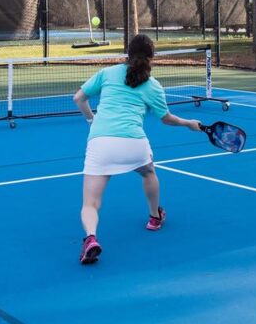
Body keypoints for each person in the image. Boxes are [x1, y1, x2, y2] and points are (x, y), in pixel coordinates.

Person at [72, 34, 203, 265]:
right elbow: (166, 118)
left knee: (90, 204)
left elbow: (79, 98)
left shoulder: (108, 73)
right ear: (151, 57)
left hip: (100, 143)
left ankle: (91, 238)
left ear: (127, 53)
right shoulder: (153, 86)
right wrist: (188, 123)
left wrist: (92, 119)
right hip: (134, 144)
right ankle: (154, 218)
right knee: (148, 172)